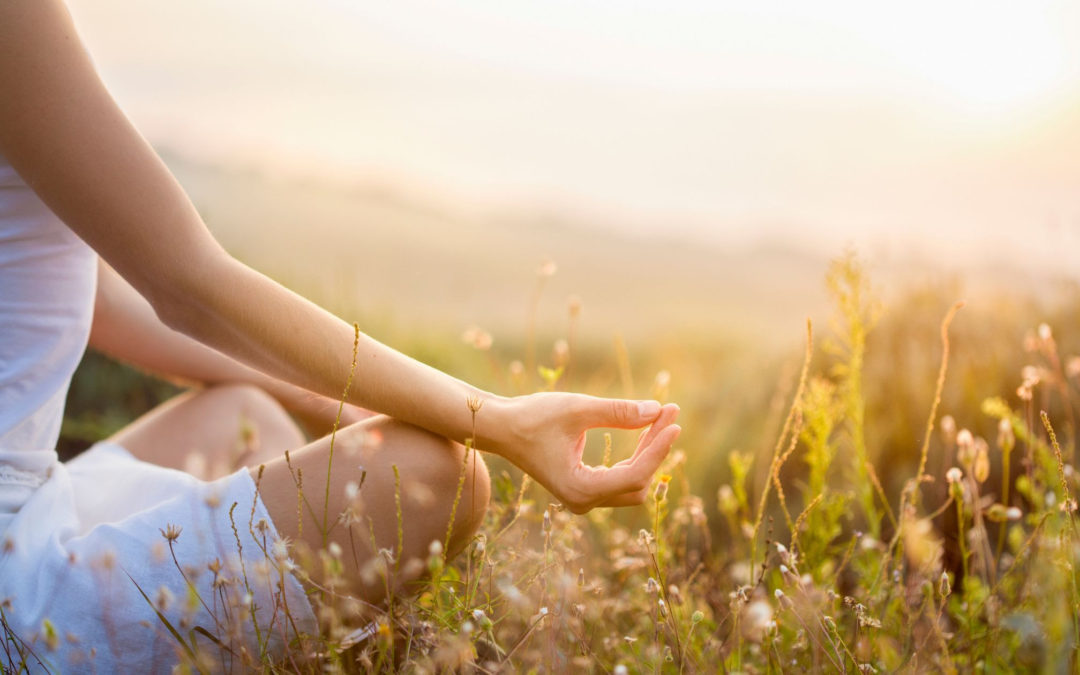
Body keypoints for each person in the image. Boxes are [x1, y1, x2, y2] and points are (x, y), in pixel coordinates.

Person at [0, 0, 682, 670]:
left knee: (245, 418)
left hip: (35, 506)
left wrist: (334, 399)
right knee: (440, 476)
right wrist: (499, 421)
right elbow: (187, 283)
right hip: (16, 592)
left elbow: (107, 304)